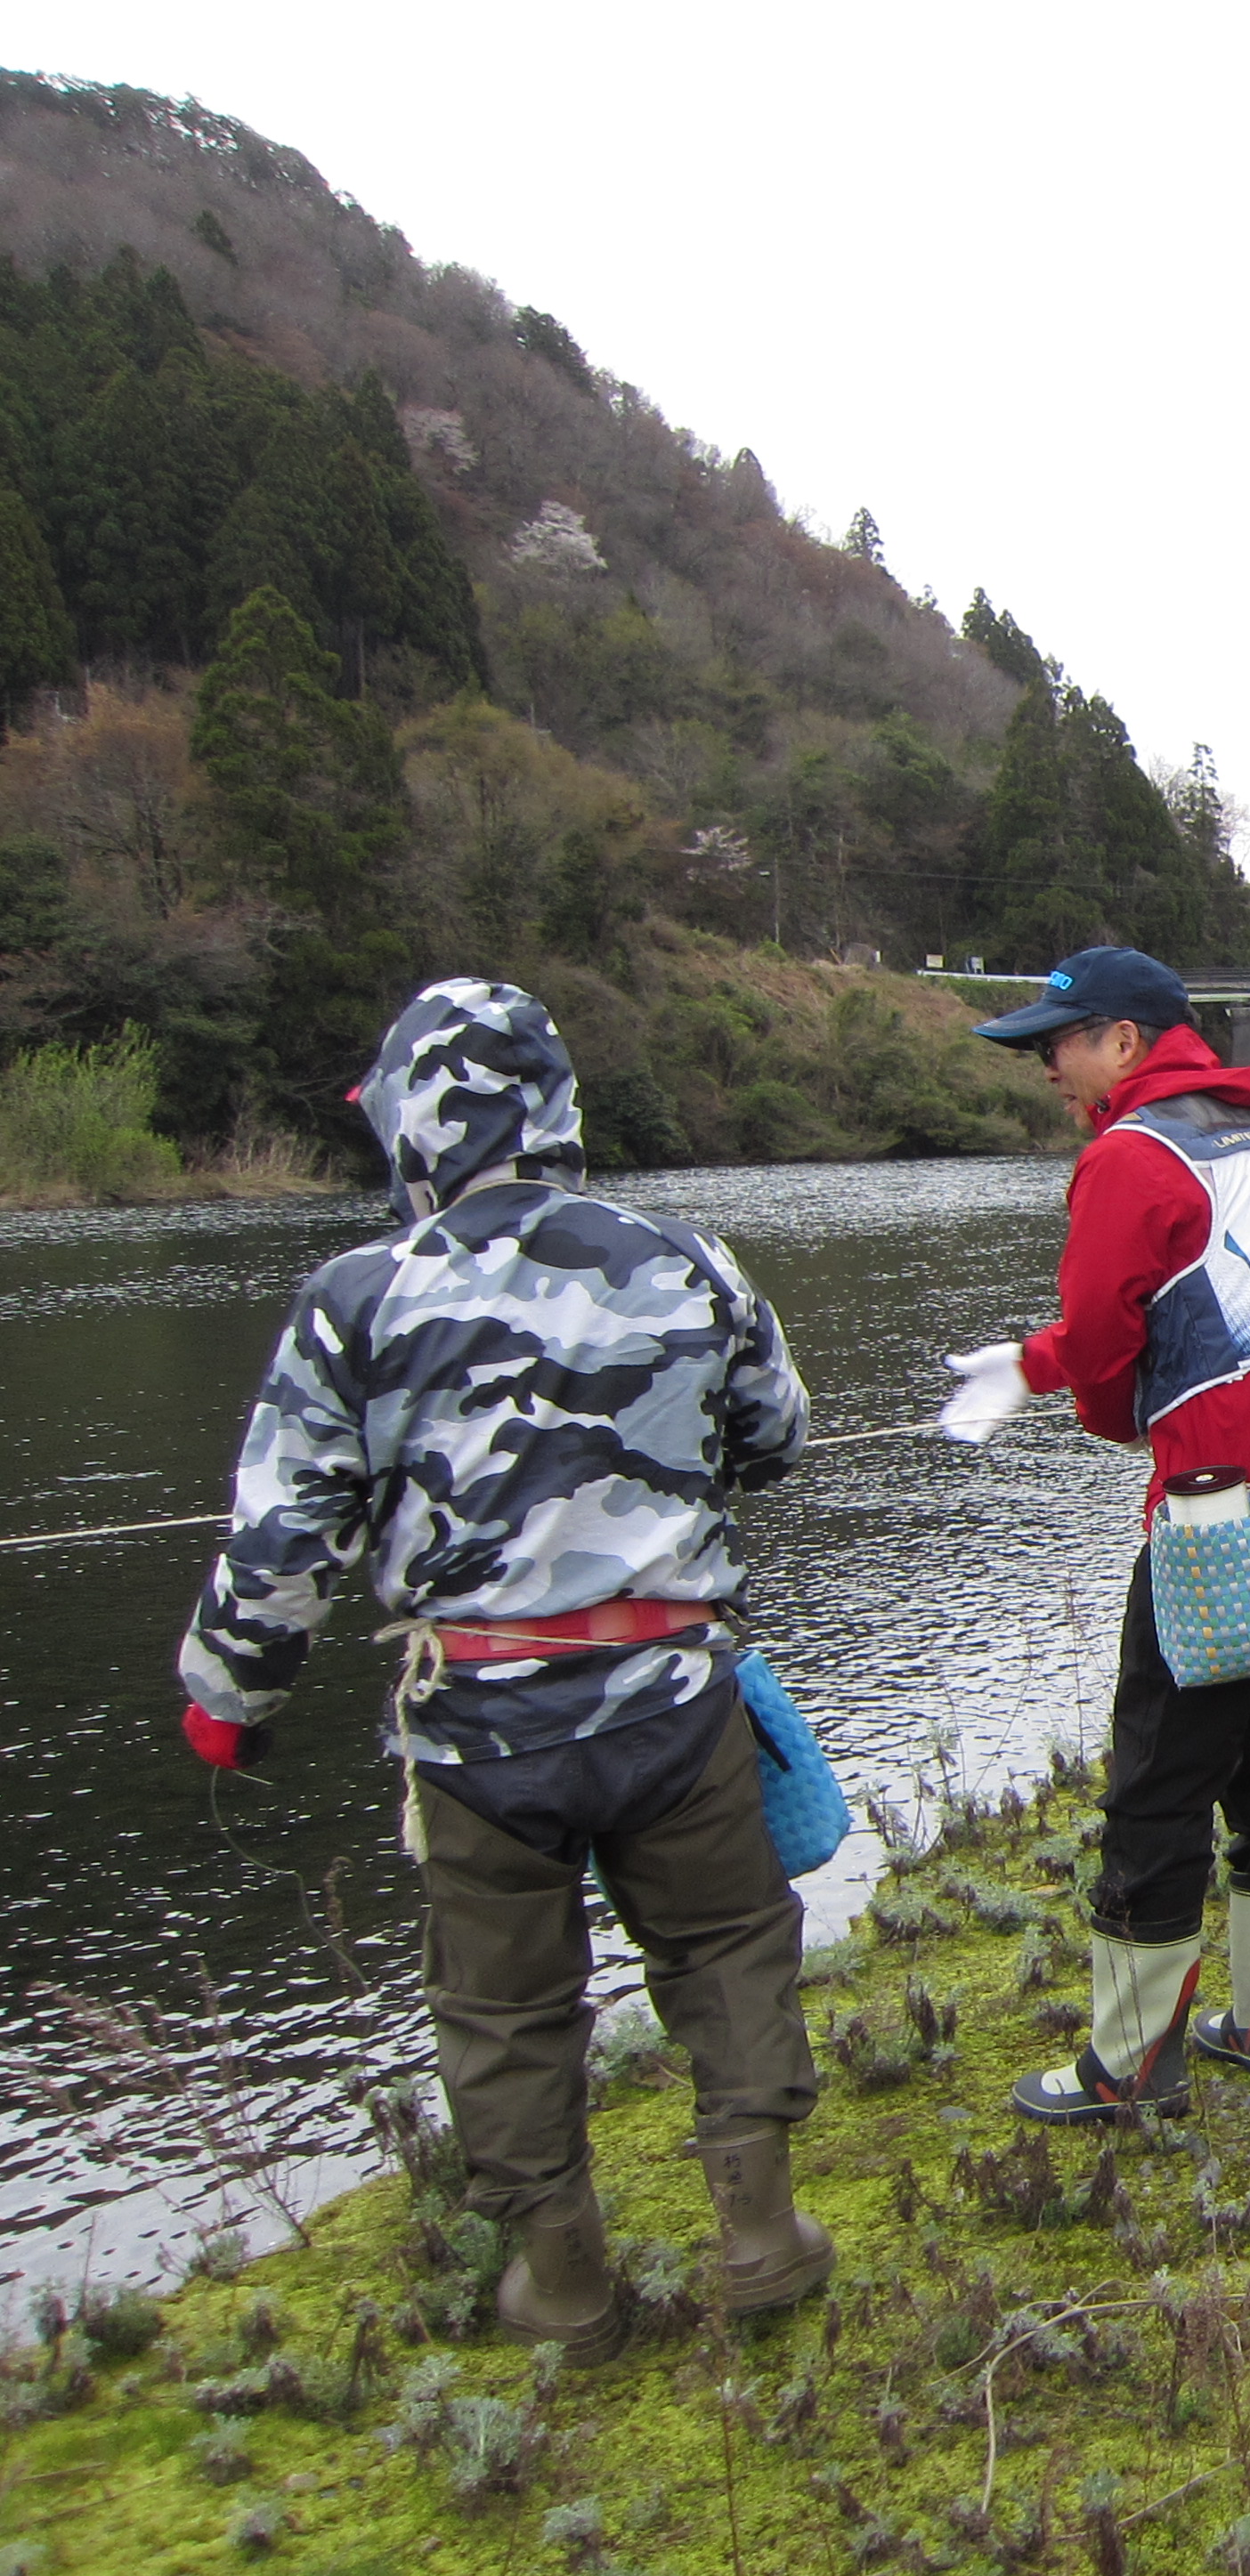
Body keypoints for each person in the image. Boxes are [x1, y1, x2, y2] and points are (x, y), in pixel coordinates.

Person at [176, 981, 830, 2363]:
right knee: (725, 1948)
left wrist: (230, 1698)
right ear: (556, 1111)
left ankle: (566, 2286)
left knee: (505, 2007)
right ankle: (763, 2236)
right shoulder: (687, 1257)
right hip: (673, 1697)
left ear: (412, 1121)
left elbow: (287, 1532)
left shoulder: (352, 1298)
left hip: (478, 1726)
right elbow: (776, 1435)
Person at [949, 947, 1250, 2118]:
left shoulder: (1130, 1156)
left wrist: (1046, 1379)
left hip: (1217, 1523)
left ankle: (1130, 2067)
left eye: (1060, 1040)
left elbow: (1100, 1358)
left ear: (1126, 1041)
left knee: (1158, 1784)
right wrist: (1052, 1368)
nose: (1046, 1063)